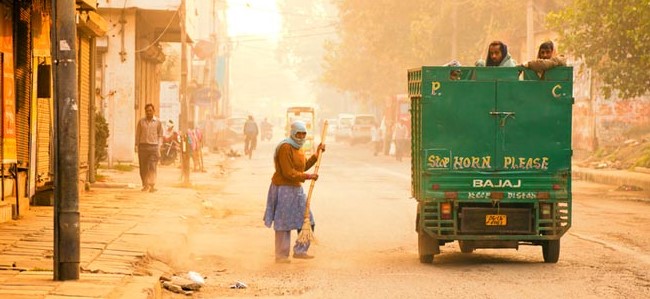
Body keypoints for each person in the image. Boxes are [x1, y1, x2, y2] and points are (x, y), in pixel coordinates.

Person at [263, 121, 326, 263]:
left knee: (307, 219)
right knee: (283, 223)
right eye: (299, 133)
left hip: (296, 189)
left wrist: (316, 155)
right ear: (292, 133)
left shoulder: (299, 148)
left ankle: (300, 250)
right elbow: (287, 172)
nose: (301, 136)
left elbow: (301, 168)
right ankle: (281, 255)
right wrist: (308, 177)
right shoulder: (285, 147)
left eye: (304, 134)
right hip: (283, 188)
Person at [135, 103, 163, 192]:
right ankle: (145, 184)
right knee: (143, 167)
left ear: (153, 111)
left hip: (153, 147)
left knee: (152, 166)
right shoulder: (141, 122)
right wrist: (137, 146)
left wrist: (159, 147)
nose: (149, 112)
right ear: (145, 112)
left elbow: (160, 135)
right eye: (147, 111)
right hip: (143, 147)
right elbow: (138, 134)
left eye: (150, 110)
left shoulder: (158, 122)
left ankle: (152, 185)